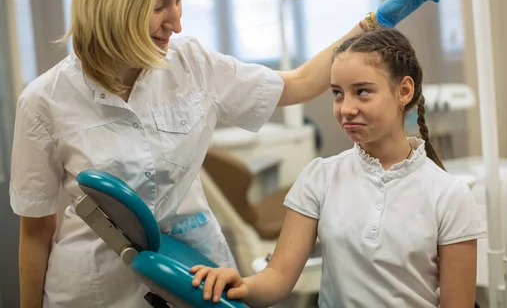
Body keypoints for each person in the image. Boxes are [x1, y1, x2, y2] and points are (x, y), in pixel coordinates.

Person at [9, 0, 438, 308]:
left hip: (197, 276)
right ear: (115, 3)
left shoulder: (191, 63)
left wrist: (377, 20)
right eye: (161, 5)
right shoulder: (45, 101)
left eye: (179, 2)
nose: (175, 23)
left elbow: (300, 83)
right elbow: (36, 231)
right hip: (96, 289)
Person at [191, 28, 486, 307]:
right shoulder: (320, 177)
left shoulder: (449, 196)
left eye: (362, 92)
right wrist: (241, 284)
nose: (346, 108)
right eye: (337, 93)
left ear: (404, 91)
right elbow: (278, 278)